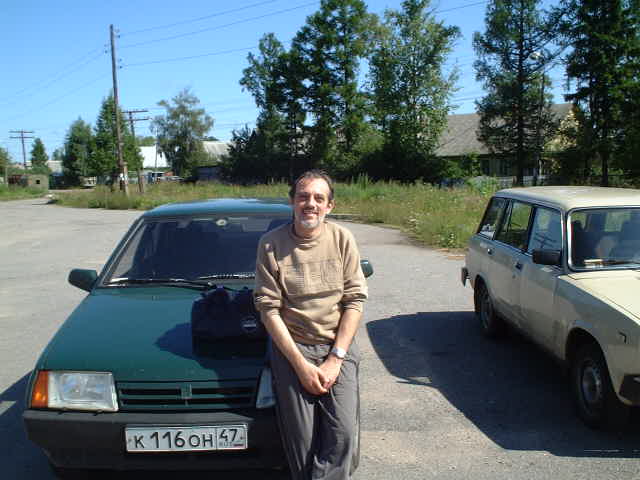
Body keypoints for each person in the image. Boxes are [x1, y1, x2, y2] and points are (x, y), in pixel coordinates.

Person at [254, 170, 368, 480]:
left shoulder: (343, 239)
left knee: (343, 435)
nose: (310, 203)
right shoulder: (270, 245)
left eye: (319, 198)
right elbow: (268, 309)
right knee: (302, 444)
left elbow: (355, 301)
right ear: (291, 201)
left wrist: (336, 357)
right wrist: (301, 366)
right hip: (293, 349)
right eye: (303, 196)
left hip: (336, 347)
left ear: (330, 205)